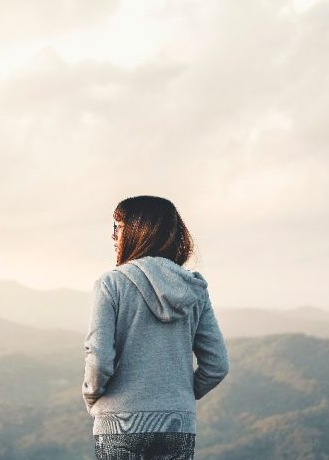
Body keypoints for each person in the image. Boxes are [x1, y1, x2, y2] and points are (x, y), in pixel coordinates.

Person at [83, 195, 230, 460]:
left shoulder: (111, 284)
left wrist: (92, 398)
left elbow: (100, 359)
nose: (113, 236)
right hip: (178, 424)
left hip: (119, 422)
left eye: (118, 226)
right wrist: (179, 396)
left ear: (139, 231)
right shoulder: (194, 288)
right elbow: (217, 364)